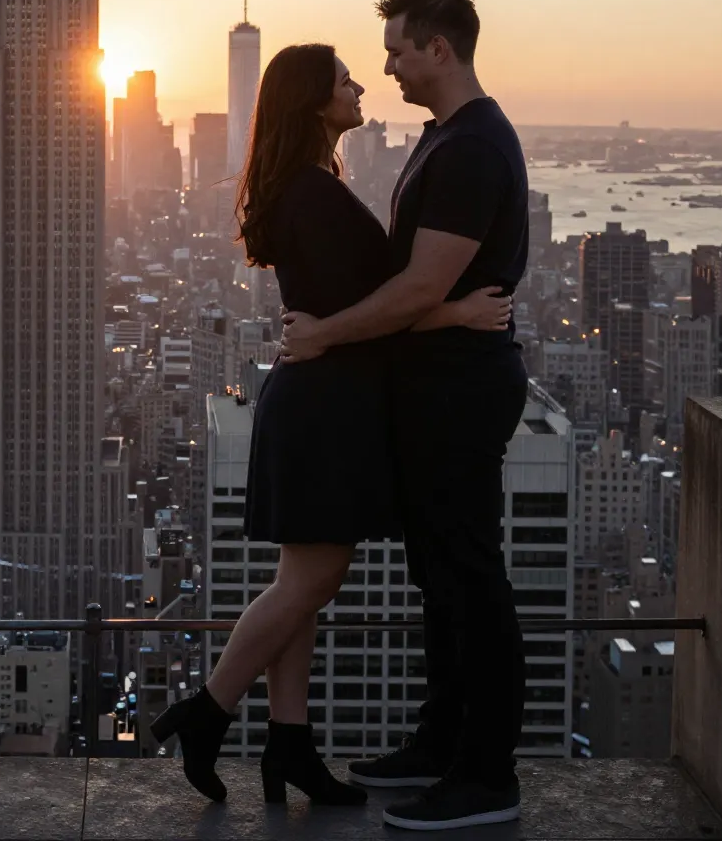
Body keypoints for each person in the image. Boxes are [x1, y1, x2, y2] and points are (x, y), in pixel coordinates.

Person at [150, 42, 509, 807]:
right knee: (313, 581)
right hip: (323, 406)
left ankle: (291, 748)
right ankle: (206, 712)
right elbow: (377, 308)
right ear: (315, 100)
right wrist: (459, 311)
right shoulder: (313, 193)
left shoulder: (308, 184)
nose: (359, 87)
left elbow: (350, 306)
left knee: (301, 587)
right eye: (344, 79)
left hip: (321, 398)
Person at [278, 0, 530, 832]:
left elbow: (416, 285)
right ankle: (439, 743)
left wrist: (324, 337)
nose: (385, 66)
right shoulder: (444, 141)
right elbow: (420, 286)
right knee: (440, 580)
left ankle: (486, 775)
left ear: (441, 50)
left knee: (469, 578)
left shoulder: (470, 151)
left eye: (396, 50)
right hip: (434, 382)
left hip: (460, 388)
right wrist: (439, 311)